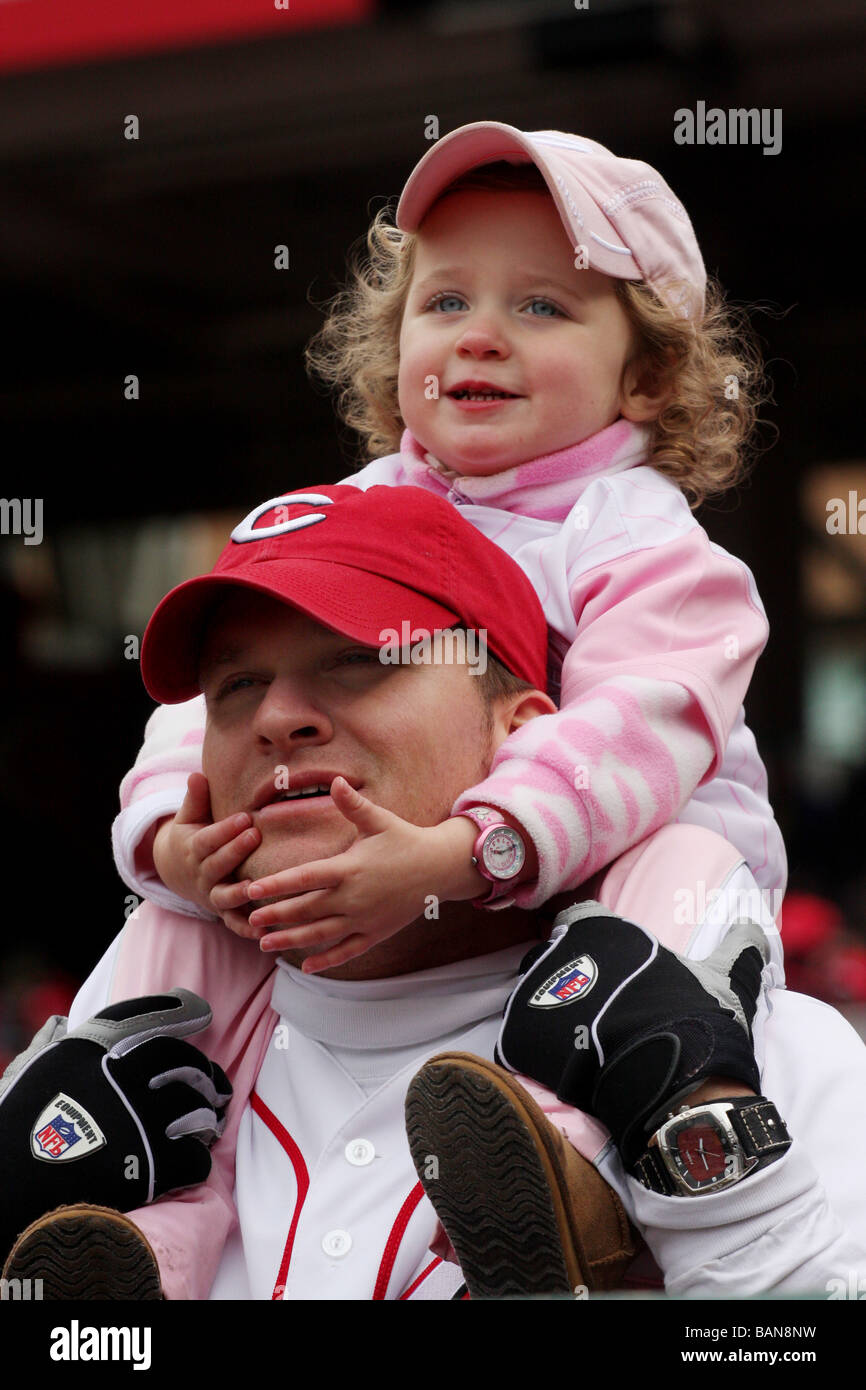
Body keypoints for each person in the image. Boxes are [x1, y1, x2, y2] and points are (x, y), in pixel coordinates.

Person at [8, 483, 863, 1302]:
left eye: (359, 659)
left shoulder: (753, 1055)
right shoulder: (106, 1087)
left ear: (520, 734)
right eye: (237, 686)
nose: (279, 717)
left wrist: (707, 1169)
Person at [113, 122, 785, 992]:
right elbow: (230, 676)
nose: (480, 336)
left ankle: (593, 1114)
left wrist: (463, 854)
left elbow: (631, 728)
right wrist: (176, 836)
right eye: (446, 303)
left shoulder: (650, 547)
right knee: (193, 912)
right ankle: (113, 1090)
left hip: (608, 897)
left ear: (647, 377)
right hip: (417, 897)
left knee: (674, 868)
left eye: (540, 306)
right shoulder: (350, 512)